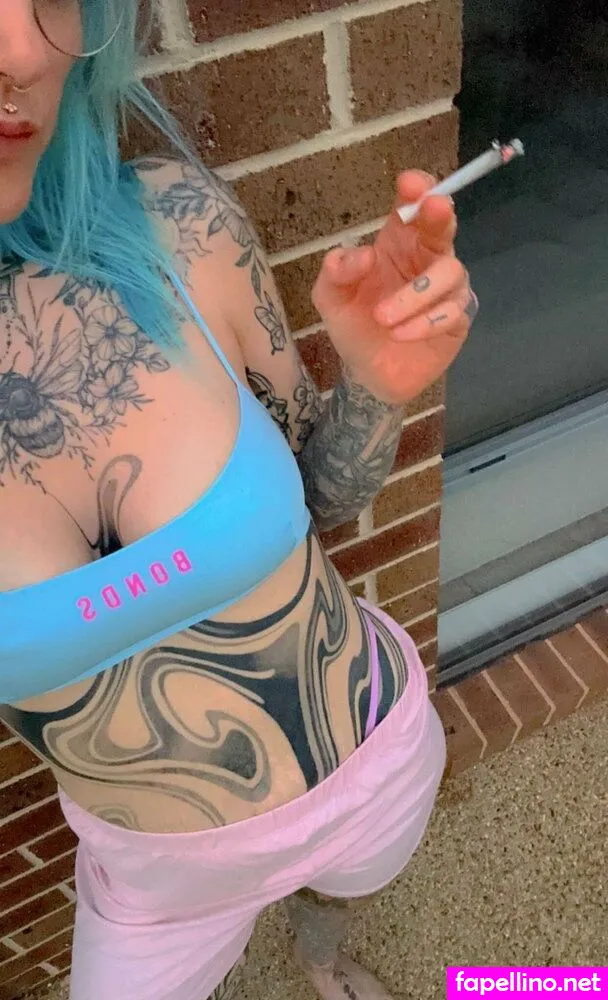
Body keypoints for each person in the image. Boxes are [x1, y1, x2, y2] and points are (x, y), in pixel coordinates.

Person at [0, 4, 477, 999]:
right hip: (160, 887)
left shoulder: (178, 224)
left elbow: (319, 495)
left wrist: (374, 386)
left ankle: (319, 955)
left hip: (371, 759)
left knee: (345, 894)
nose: (23, 50)